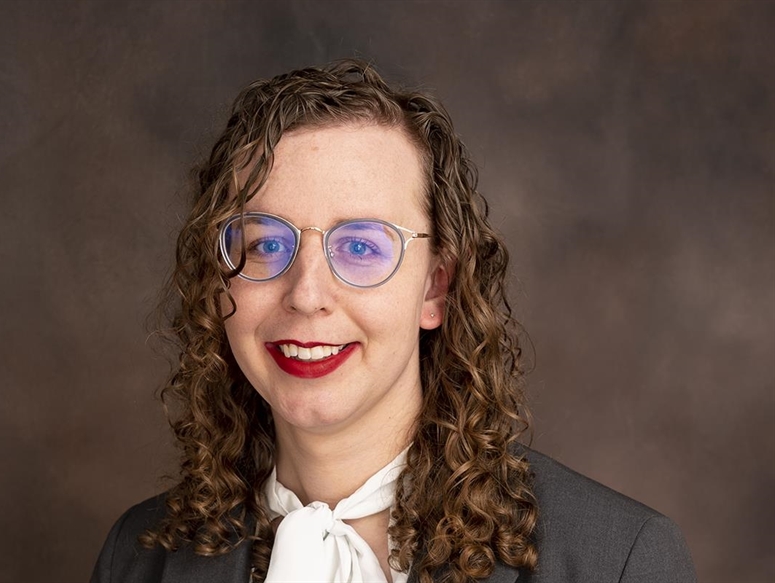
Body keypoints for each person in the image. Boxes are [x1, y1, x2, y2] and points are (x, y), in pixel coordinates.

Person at [91, 59, 696, 583]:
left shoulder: (619, 560)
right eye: (266, 244)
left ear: (436, 286)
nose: (306, 295)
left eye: (361, 246)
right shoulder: (138, 557)